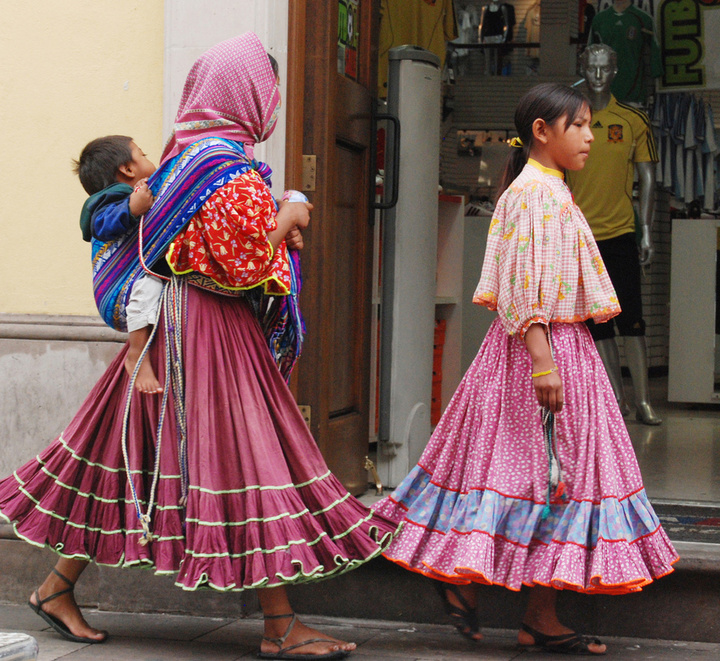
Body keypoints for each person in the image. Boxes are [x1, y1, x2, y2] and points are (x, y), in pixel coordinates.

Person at [0, 32, 399, 660]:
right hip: (206, 330)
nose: (269, 101)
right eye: (266, 88)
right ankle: (279, 626)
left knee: (132, 450)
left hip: (165, 331)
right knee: (250, 453)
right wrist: (291, 216)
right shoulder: (221, 162)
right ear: (243, 93)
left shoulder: (184, 155)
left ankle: (55, 587)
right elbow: (239, 262)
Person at [373, 82, 678, 656]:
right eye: (579, 125)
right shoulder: (533, 195)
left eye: (590, 125)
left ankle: (535, 612)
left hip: (558, 349)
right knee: (538, 477)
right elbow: (521, 285)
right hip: (540, 353)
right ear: (543, 131)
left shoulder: (549, 190)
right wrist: (543, 363)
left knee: (553, 481)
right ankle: (467, 580)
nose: (590, 136)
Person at [566, 43, 662, 425]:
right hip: (581, 238)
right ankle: (616, 401)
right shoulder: (569, 119)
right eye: (591, 68)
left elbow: (648, 178)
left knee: (632, 321)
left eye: (605, 68)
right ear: (583, 69)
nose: (598, 76)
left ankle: (643, 401)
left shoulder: (633, 120)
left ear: (616, 71)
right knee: (598, 325)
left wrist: (647, 233)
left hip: (621, 233)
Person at [75, 135, 164, 394]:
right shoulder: (112, 199)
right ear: (127, 169)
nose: (149, 158)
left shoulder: (141, 191)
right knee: (150, 286)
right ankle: (136, 354)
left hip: (129, 287)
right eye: (142, 153)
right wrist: (131, 208)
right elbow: (101, 225)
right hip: (119, 293)